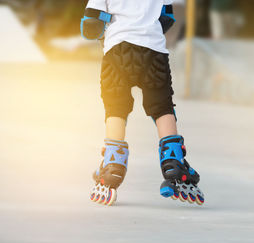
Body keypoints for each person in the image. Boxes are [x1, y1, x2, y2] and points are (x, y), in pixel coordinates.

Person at [81, 0, 204, 206]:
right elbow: (167, 17)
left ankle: (113, 164)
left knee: (116, 109)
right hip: (153, 50)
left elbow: (91, 22)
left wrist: (102, 34)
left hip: (117, 49)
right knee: (162, 107)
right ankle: (174, 164)